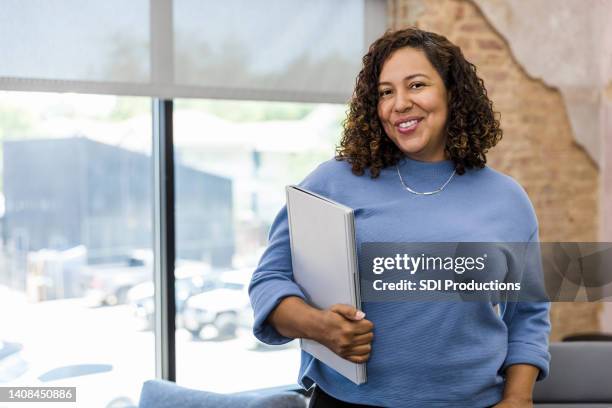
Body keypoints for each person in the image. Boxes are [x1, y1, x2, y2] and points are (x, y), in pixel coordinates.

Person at [248, 28, 550, 408]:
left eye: (417, 85)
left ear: (453, 93)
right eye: (385, 92)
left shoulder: (507, 199)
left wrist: (519, 397)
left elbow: (528, 315)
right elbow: (269, 280)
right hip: (347, 402)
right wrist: (318, 326)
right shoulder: (331, 182)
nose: (400, 103)